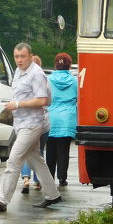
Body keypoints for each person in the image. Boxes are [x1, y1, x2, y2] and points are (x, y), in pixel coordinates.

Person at [0, 43, 61, 212]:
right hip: (21, 123)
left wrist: (17, 104)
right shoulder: (18, 71)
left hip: (32, 124)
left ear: (30, 56)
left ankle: (2, 199)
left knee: (13, 160)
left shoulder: (36, 74)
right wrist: (15, 106)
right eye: (16, 56)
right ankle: (53, 195)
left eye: (23, 56)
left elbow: (43, 100)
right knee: (36, 159)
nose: (19, 60)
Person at [46, 53, 77, 186]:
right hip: (68, 119)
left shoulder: (48, 79)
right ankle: (62, 178)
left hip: (51, 118)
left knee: (50, 150)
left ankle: (49, 177)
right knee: (64, 150)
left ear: (55, 64)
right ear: (69, 65)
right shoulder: (74, 81)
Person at [20, 55, 48, 193]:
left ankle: (26, 179)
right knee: (39, 152)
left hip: (25, 122)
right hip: (41, 124)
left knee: (25, 152)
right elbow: (49, 100)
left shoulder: (22, 80)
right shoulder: (44, 79)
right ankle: (38, 181)